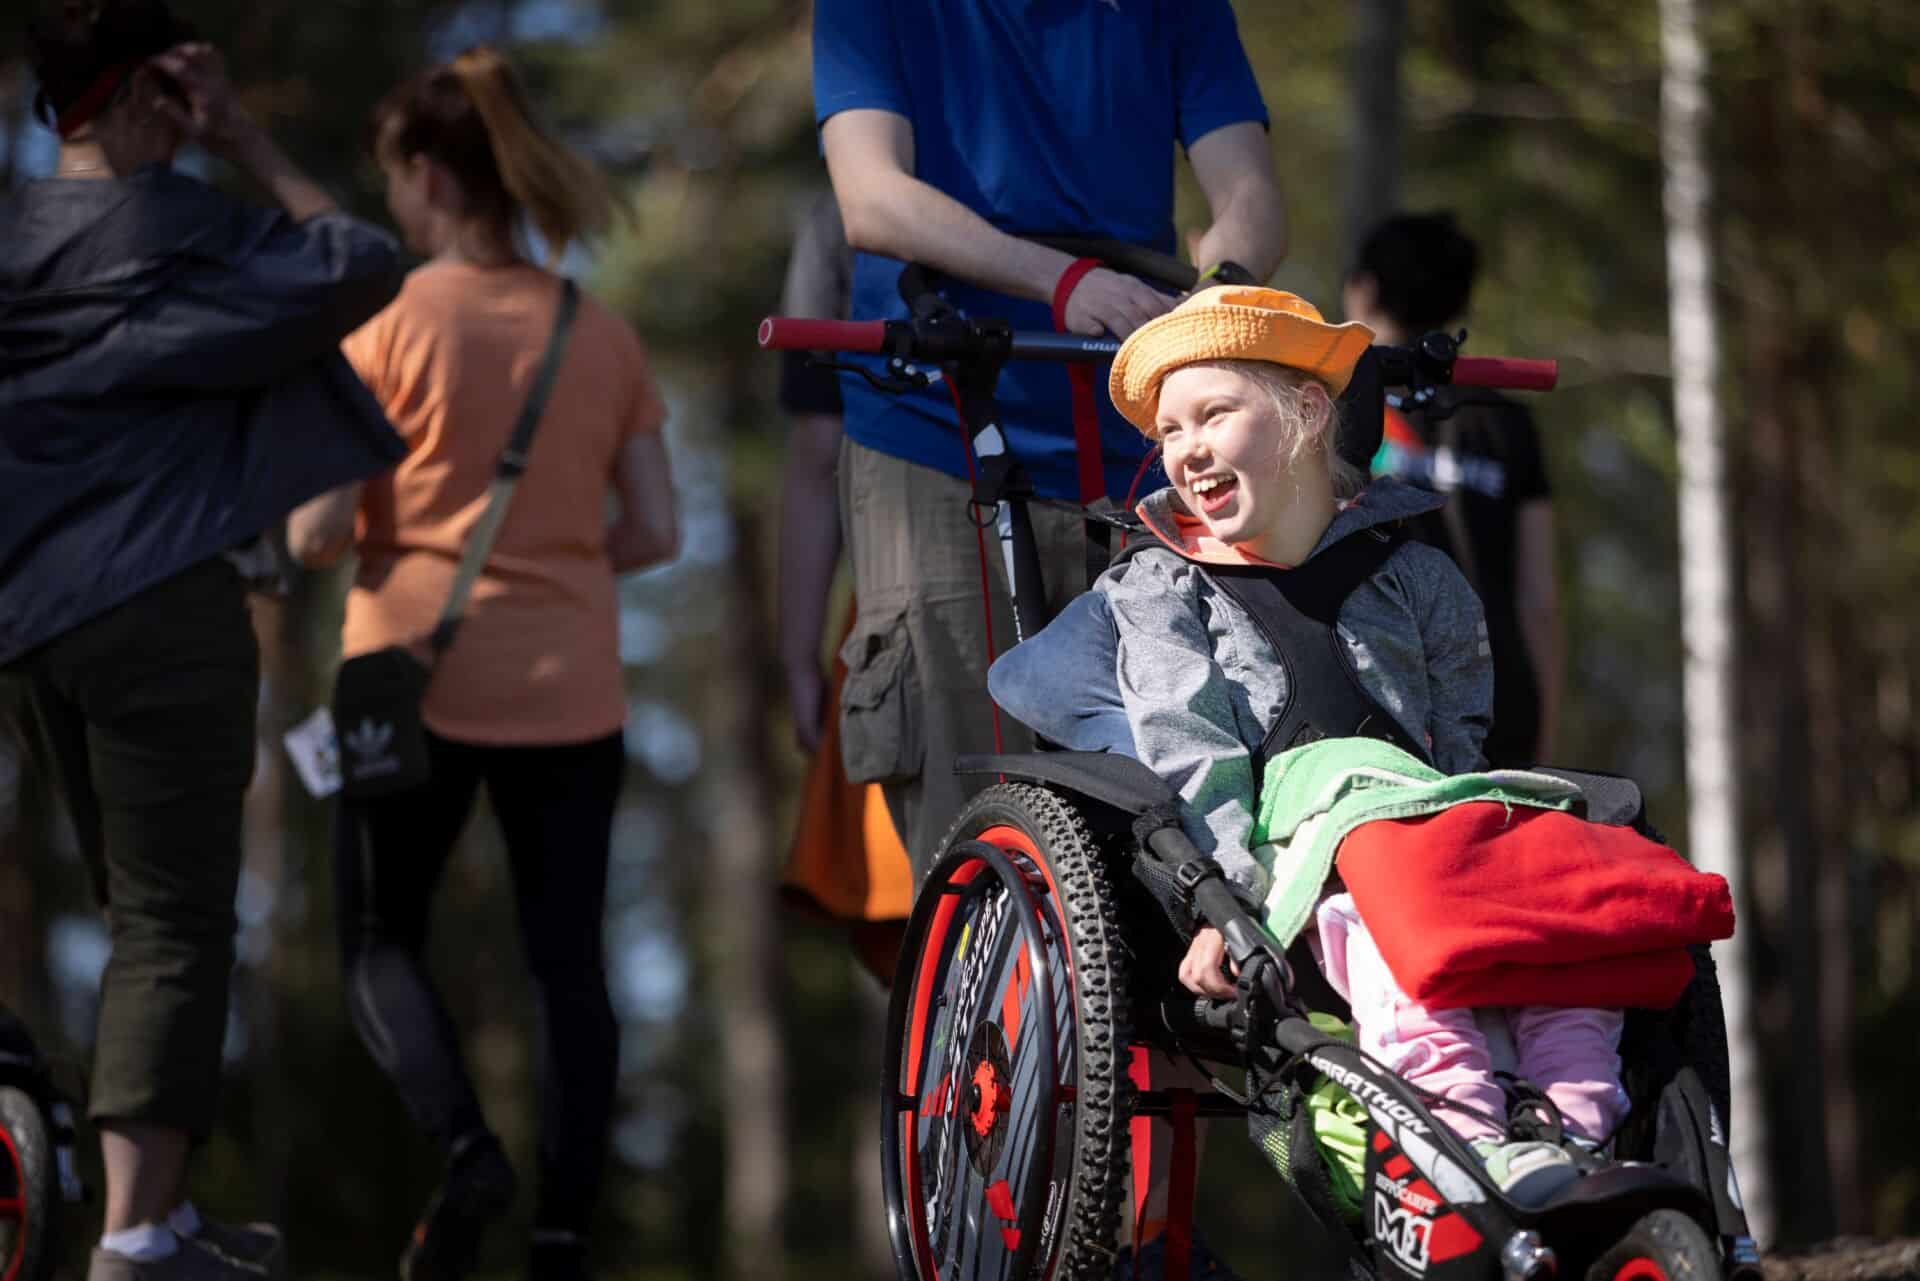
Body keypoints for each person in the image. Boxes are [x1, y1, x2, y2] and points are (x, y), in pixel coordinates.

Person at [991, 286, 1630, 1203]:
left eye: (1214, 412)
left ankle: (1580, 1134)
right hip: (1279, 872)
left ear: (1303, 412)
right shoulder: (1164, 589)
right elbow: (1189, 749)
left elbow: (1458, 743)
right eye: (1169, 431)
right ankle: (1456, 1139)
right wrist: (1221, 904)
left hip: (1428, 833)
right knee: (1392, 914)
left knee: (1568, 909)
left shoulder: (1415, 573)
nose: (1187, 447)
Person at [0, 3, 408, 1278]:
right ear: (135, 101)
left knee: (135, 909)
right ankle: (133, 1238)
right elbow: (357, 258)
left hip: (27, 624)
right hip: (161, 607)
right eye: (172, 101)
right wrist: (239, 136)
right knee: (173, 920)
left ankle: (159, 1217)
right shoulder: (185, 229)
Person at [285, 46, 677, 1281]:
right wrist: (555, 563)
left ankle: (467, 1154)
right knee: (570, 966)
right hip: (573, 687)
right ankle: (565, 1234)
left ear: (423, 175)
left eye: (393, 179)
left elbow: (318, 530)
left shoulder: (386, 325)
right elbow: (658, 529)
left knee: (377, 942)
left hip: (408, 677)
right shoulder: (596, 332)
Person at [811, 0, 1288, 879]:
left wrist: (1220, 294)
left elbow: (1249, 199)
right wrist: (1060, 281)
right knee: (969, 831)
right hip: (936, 434)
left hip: (1131, 447)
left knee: (1171, 817)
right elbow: (871, 196)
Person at [1344, 213, 1564, 766]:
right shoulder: (1508, 420)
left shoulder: (1338, 409)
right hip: (1502, 693)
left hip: (1380, 688)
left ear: (1364, 289)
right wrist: (1545, 721)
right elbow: (1540, 598)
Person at [772, 192, 914, 983]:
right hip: (1095, 582)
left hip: (901, 601)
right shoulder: (1068, 137)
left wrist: (801, 655)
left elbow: (815, 451)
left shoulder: (846, 209)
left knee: (924, 939)